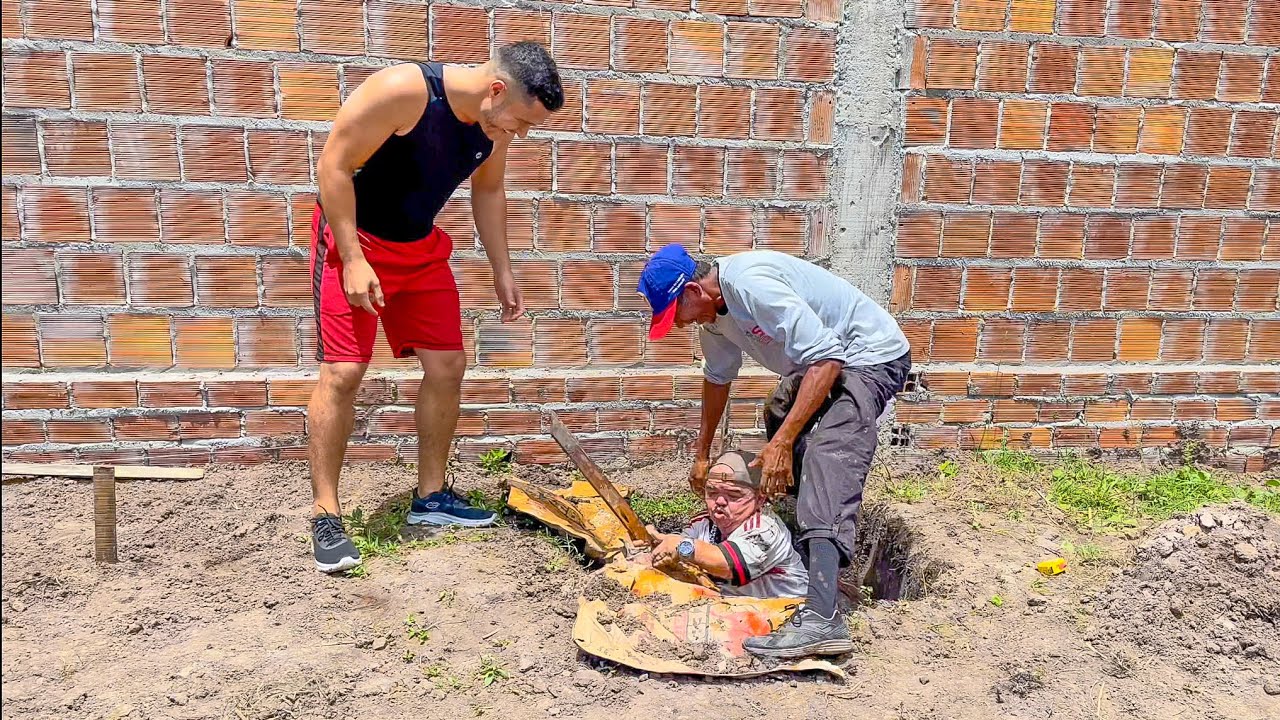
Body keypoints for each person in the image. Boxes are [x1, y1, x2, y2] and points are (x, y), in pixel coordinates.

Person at [307, 42, 564, 573]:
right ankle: (326, 513)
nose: (519, 134)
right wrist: (352, 259)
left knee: (448, 365)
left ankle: (431, 498)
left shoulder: (494, 126)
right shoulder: (404, 92)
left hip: (419, 249)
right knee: (344, 371)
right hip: (354, 240)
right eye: (519, 122)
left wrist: (502, 270)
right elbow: (333, 163)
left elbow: (488, 193)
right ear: (495, 91)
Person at [637, 244, 911, 659]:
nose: (676, 325)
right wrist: (701, 453)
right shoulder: (714, 318)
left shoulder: (751, 285)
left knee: (826, 455)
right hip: (823, 360)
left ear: (694, 290)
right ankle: (810, 545)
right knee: (780, 407)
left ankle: (823, 619)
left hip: (869, 357)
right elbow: (717, 378)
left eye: (675, 313)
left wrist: (782, 443)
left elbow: (827, 359)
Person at [648, 450, 808, 600]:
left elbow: (727, 565)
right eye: (712, 493)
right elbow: (676, 549)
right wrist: (656, 545)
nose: (720, 501)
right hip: (736, 611)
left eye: (733, 495)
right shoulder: (702, 523)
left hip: (787, 615)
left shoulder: (767, 530)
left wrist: (681, 547)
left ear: (760, 499)